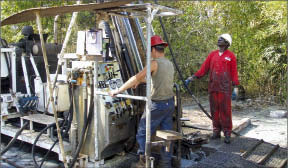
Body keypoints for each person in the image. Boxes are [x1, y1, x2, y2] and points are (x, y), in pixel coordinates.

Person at [109, 35, 175, 167]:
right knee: (167, 135)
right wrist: (139, 82)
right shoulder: (169, 64)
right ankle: (166, 164)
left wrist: (118, 91)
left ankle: (143, 162)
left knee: (143, 132)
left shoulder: (154, 63)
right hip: (169, 104)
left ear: (153, 50)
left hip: (157, 105)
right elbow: (156, 79)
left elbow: (135, 77)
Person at [186, 34, 239, 144]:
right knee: (214, 110)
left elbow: (234, 72)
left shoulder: (231, 56)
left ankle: (227, 132)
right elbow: (204, 69)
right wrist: (192, 77)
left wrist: (235, 88)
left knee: (225, 111)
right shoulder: (212, 55)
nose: (219, 40)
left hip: (225, 88)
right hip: (213, 87)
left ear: (227, 43)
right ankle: (216, 131)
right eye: (219, 38)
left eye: (222, 39)